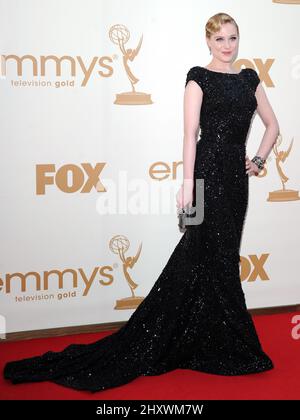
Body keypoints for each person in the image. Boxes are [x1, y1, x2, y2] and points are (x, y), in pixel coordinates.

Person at [3, 12, 278, 393]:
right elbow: (188, 136)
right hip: (206, 175)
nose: (228, 46)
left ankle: (211, 336)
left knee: (222, 257)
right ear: (208, 42)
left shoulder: (250, 78)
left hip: (235, 179)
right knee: (204, 254)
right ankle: (230, 343)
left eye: (233, 38)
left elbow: (273, 125)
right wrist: (187, 186)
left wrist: (259, 159)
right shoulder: (198, 78)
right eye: (220, 40)